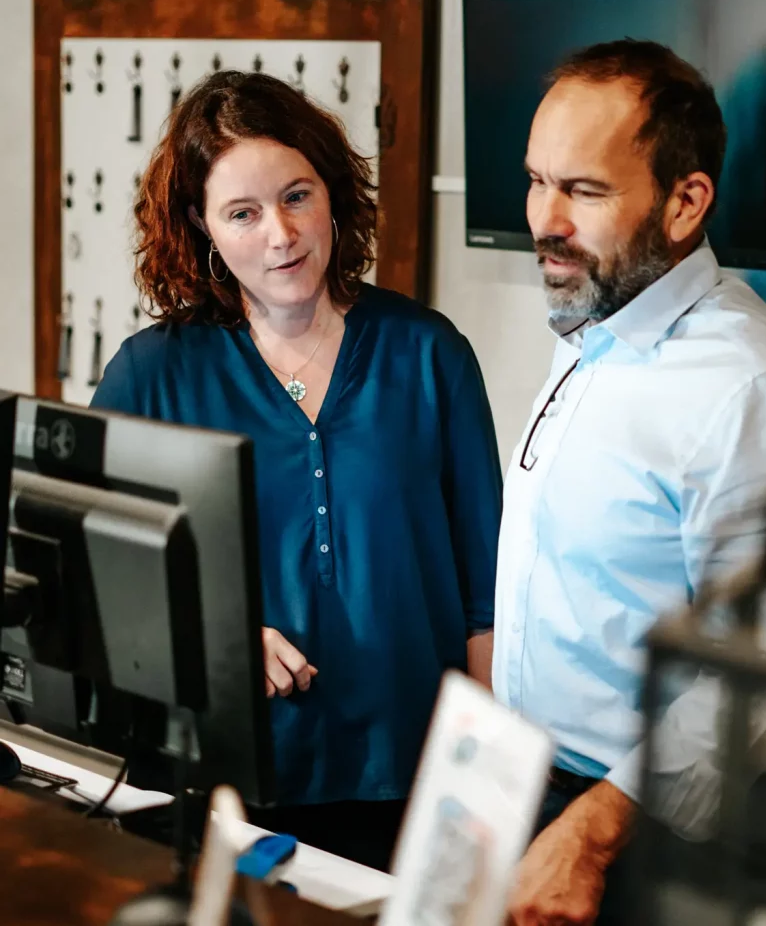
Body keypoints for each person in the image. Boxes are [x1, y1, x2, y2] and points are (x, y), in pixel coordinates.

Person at [91, 70, 502, 871]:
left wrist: (485, 788)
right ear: (201, 229)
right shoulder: (151, 376)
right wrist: (218, 636)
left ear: (333, 196)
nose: (280, 235)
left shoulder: (430, 354)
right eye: (241, 213)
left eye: (297, 196)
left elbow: (486, 596)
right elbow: (99, 587)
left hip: (413, 779)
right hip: (229, 785)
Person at [492, 39, 766, 924]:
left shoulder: (748, 389)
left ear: (685, 202)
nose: (543, 218)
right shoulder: (594, 325)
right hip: (545, 795)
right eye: (535, 180)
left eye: (583, 191)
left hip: (652, 840)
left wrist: (595, 831)